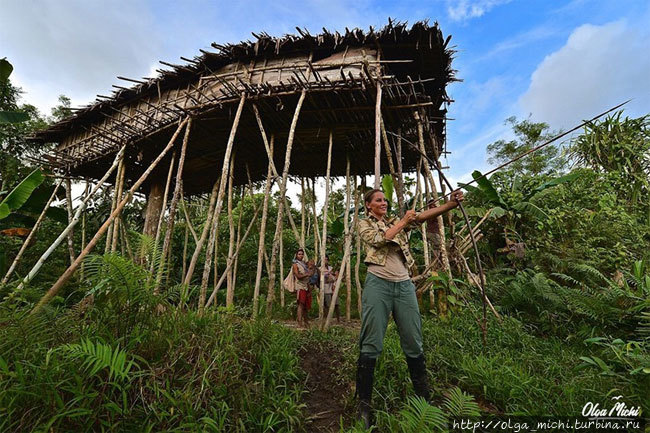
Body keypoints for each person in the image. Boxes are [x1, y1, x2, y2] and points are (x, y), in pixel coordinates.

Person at [355, 188, 464, 427]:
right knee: (371, 342)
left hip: (404, 284)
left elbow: (422, 216)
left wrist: (449, 205)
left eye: (385, 199)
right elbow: (379, 240)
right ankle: (363, 405)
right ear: (368, 205)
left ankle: (424, 400)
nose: (383, 202)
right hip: (378, 283)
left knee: (414, 340)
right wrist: (404, 220)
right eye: (378, 200)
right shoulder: (364, 223)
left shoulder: (396, 221)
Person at [293, 249, 314, 328]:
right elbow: (297, 276)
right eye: (299, 254)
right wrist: (307, 274)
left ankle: (306, 322)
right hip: (300, 286)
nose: (301, 256)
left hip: (306, 286)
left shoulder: (304, 264)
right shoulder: (295, 264)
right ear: (296, 255)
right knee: (301, 304)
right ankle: (299, 322)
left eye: (302, 254)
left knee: (305, 305)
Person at [320, 254, 340, 322]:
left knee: (336, 304)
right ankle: (328, 320)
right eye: (324, 260)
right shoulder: (320, 269)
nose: (325, 261)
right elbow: (324, 280)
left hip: (333, 288)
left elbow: (334, 277)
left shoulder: (330, 268)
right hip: (325, 289)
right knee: (327, 305)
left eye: (326, 259)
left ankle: (338, 319)